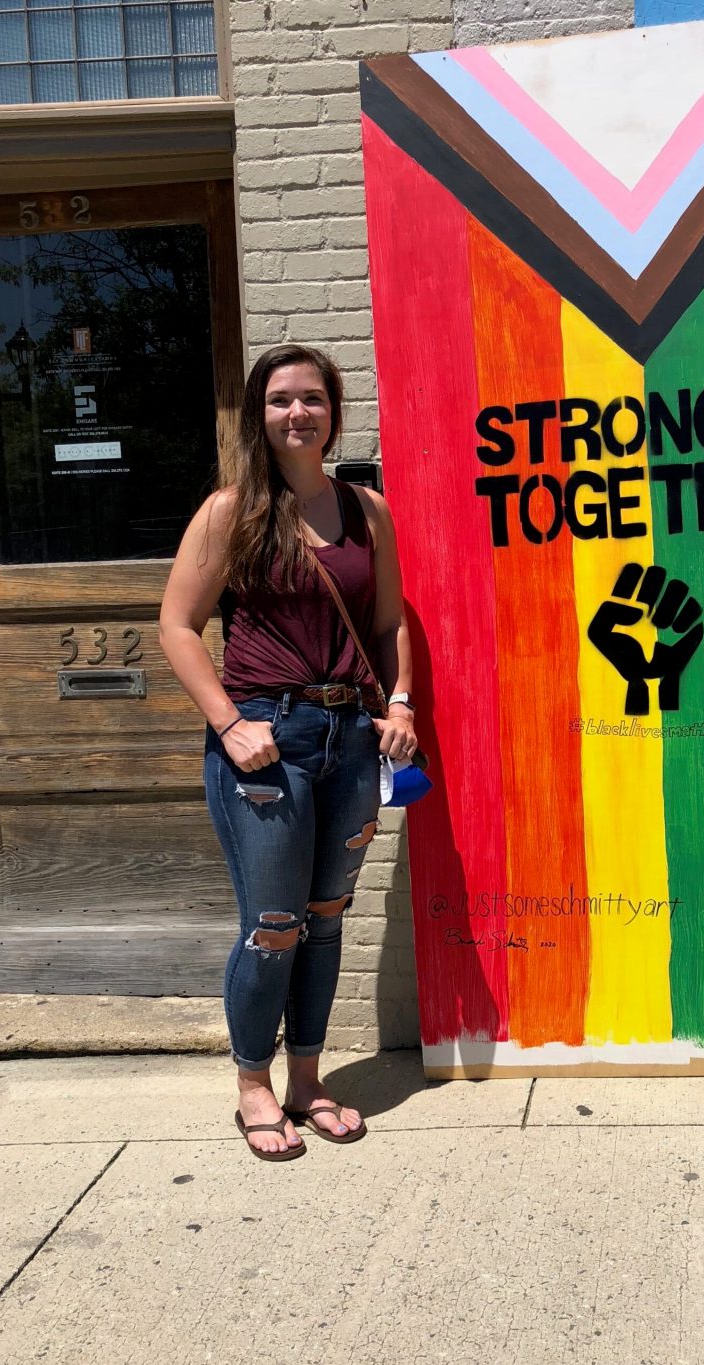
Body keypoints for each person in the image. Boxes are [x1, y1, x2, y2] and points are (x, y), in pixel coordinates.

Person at [160, 344, 417, 1161]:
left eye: (312, 398)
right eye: (280, 400)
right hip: (266, 744)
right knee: (273, 925)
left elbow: (388, 620)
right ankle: (253, 1088)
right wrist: (231, 722)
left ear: (333, 411)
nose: (298, 412)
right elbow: (176, 625)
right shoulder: (229, 511)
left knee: (326, 920)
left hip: (348, 743)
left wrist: (400, 700)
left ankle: (307, 1081)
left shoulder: (365, 509)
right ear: (259, 414)